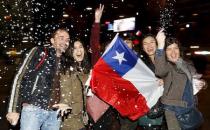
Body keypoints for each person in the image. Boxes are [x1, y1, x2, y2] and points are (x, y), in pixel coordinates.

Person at [6, 28, 70, 130]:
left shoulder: (65, 62)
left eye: (67, 39)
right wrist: (13, 108)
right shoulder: (39, 52)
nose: (65, 42)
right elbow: (19, 77)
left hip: (54, 113)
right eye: (61, 38)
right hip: (33, 110)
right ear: (52, 40)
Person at [155, 29, 206, 130]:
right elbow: (159, 71)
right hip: (173, 109)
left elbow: (196, 77)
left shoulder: (187, 64)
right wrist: (160, 46)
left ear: (180, 50)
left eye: (175, 48)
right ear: (165, 52)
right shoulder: (167, 66)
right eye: (169, 49)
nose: (173, 52)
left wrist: (203, 83)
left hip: (190, 106)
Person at [87, 4, 121, 130]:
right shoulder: (99, 64)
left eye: (112, 50)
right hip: (99, 108)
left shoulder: (120, 68)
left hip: (114, 111)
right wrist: (97, 22)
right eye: (107, 50)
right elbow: (94, 44)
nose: (109, 53)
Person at [53, 40, 91, 130]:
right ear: (70, 52)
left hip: (81, 117)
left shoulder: (85, 70)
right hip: (70, 120)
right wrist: (65, 103)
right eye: (74, 48)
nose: (79, 50)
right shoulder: (67, 71)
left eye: (80, 47)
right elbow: (65, 90)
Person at [137, 34, 166, 130]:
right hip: (151, 108)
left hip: (169, 108)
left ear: (158, 44)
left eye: (152, 42)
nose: (149, 46)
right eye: (145, 44)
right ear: (142, 47)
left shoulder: (167, 59)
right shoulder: (140, 64)